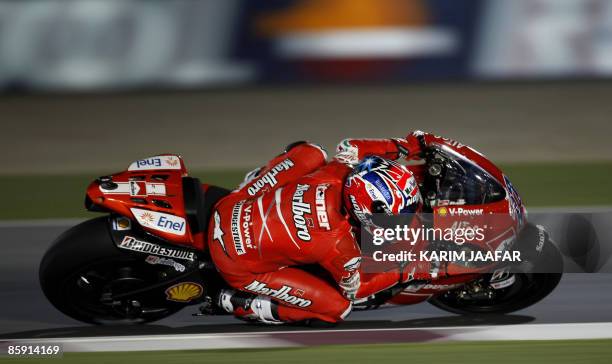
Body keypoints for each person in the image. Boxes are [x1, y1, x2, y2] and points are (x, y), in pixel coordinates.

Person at [207, 131, 430, 324]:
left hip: (229, 206)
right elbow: (355, 289)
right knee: (337, 308)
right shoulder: (340, 245)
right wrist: (409, 269)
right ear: (364, 209)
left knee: (311, 152)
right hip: (235, 263)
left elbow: (350, 145)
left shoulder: (338, 170)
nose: (408, 216)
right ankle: (239, 303)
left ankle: (253, 181)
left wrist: (401, 145)